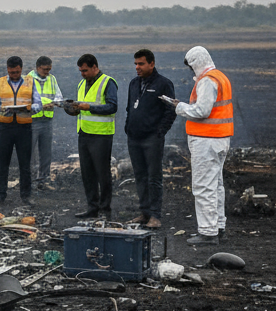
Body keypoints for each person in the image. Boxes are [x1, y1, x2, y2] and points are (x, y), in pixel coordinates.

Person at [166, 47, 234, 244]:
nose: (191, 70)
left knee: (204, 186)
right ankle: (218, 227)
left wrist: (180, 107)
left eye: (191, 66)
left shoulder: (207, 80)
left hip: (207, 140)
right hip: (220, 139)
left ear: (196, 63)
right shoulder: (220, 76)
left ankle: (208, 232)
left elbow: (202, 111)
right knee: (216, 185)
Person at [124, 48, 176, 229]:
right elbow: (130, 108)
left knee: (154, 177)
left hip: (152, 139)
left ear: (152, 64)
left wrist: (160, 132)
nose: (137, 67)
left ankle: (155, 215)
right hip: (134, 138)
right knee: (140, 176)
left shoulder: (164, 84)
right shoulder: (133, 83)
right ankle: (144, 212)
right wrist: (128, 127)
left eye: (141, 64)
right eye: (135, 64)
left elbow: (170, 110)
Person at [70, 53, 118, 220]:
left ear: (95, 67)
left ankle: (105, 210)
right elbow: (82, 107)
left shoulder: (108, 82)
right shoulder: (82, 84)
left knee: (102, 174)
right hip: (84, 133)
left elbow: (112, 107)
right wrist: (74, 108)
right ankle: (92, 207)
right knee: (87, 173)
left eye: (85, 70)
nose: (82, 73)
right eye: (80, 71)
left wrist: (88, 107)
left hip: (101, 135)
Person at [0, 56, 41, 205]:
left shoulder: (31, 82)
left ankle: (26, 196)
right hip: (5, 127)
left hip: (24, 127)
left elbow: (38, 103)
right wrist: (2, 109)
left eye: (17, 72)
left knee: (25, 164)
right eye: (11, 72)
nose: (14, 75)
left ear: (21, 69)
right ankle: (0, 195)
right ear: (7, 70)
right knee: (2, 163)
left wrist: (29, 109)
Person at [28, 56, 63, 188]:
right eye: (45, 69)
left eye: (49, 69)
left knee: (46, 152)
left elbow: (58, 96)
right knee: (29, 153)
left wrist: (58, 103)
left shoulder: (52, 79)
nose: (47, 72)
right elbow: (25, 100)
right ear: (37, 68)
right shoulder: (27, 80)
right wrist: (46, 103)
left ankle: (42, 180)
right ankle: (28, 180)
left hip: (47, 121)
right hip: (32, 121)